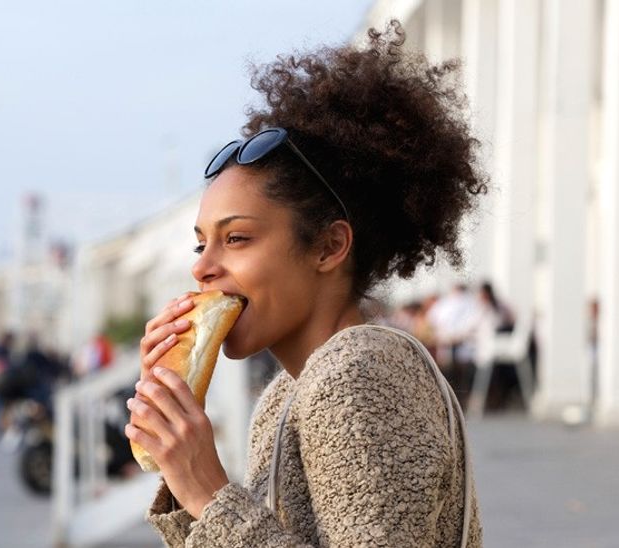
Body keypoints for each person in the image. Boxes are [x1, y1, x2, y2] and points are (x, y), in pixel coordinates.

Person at [128, 22, 485, 547]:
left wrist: (208, 491)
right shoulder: (286, 395)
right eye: (200, 243)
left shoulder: (357, 375)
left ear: (328, 247)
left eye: (239, 238)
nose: (202, 268)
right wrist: (180, 467)